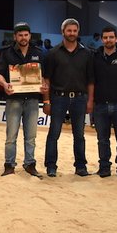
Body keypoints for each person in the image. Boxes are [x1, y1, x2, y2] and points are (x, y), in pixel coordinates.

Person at [42, 18, 94, 177]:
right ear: (62, 31)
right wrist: (46, 101)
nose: (72, 33)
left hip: (80, 99)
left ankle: (80, 167)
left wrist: (90, 101)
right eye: (69, 30)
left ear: (78, 32)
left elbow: (91, 80)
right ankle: (51, 166)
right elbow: (46, 80)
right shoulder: (53, 53)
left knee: (79, 135)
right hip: (58, 98)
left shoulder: (87, 53)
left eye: (74, 31)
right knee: (54, 133)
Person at [0, 22, 46, 177]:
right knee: (11, 136)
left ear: (30, 36)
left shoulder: (39, 53)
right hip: (13, 100)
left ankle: (30, 164)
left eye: (26, 35)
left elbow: (44, 76)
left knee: (31, 136)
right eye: (20, 35)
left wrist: (43, 85)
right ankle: (9, 165)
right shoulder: (6, 53)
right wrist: (4, 84)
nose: (23, 38)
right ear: (15, 36)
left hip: (32, 100)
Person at [91, 26, 117, 180]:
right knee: (102, 140)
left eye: (111, 37)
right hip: (100, 105)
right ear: (102, 39)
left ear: (116, 38)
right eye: (105, 37)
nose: (108, 40)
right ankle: (104, 168)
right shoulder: (95, 56)